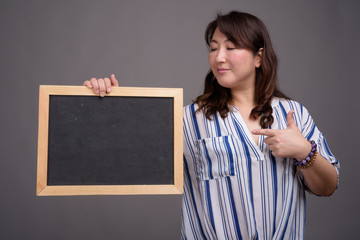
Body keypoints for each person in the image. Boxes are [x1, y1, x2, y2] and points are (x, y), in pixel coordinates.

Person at [83, 11, 339, 240]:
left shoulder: (293, 114)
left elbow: (328, 187)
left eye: (231, 47)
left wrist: (305, 152)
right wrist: (109, 105)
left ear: (258, 57)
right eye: (214, 48)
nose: (219, 57)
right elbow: (127, 159)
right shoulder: (189, 119)